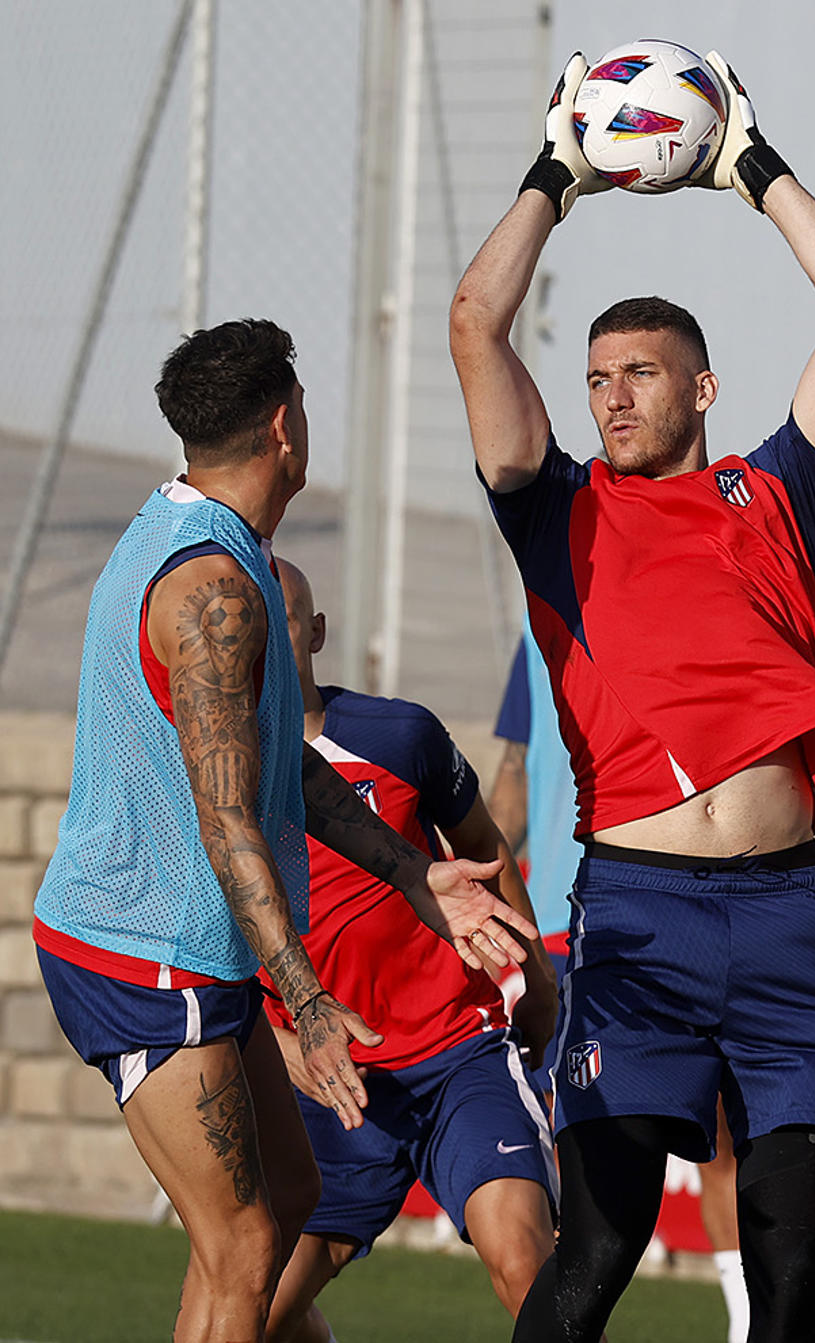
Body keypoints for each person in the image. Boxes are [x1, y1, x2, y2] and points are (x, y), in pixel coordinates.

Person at [451, 46, 815, 1343]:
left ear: (701, 386)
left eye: (638, 372)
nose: (611, 396)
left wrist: (750, 165)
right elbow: (475, 321)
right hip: (642, 916)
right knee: (598, 1245)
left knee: (791, 1268)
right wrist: (558, 172)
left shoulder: (777, 498)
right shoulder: (561, 513)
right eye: (596, 377)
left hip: (789, 917)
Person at [30, 319, 537, 1343]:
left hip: (185, 951)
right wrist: (305, 998)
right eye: (302, 402)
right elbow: (228, 815)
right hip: (146, 962)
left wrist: (410, 872)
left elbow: (267, 761)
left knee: (291, 1195)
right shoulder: (216, 591)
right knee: (245, 1248)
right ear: (283, 427)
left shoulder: (213, 542)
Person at [261, 560, 560, 1342]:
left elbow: (484, 844)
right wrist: (285, 1049)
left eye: (283, 619)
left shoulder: (401, 735)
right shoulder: (215, 779)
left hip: (456, 1051)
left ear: (315, 632)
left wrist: (537, 984)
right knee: (254, 1316)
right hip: (331, 1080)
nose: (263, 640)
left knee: (525, 1261)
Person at [491, 622, 751, 1343]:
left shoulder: (675, 609)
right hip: (567, 921)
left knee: (716, 1136)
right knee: (578, 1154)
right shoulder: (537, 624)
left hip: (653, 908)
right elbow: (514, 774)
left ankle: (741, 1324)